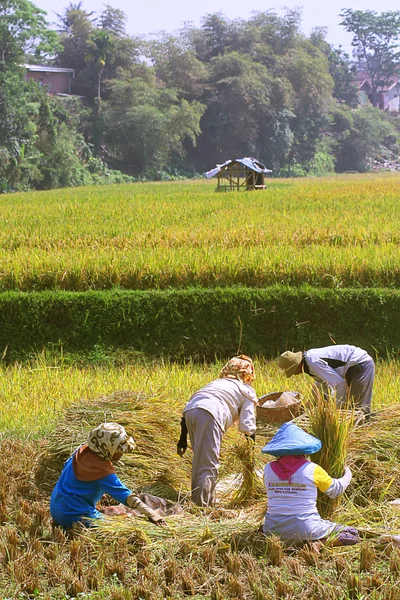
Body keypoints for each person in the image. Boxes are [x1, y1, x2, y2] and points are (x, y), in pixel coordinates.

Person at [50, 422, 166, 530]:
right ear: (107, 448)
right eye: (118, 450)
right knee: (122, 527)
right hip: (73, 515)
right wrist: (152, 514)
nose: (121, 454)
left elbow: (71, 475)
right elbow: (126, 496)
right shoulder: (101, 470)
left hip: (56, 506)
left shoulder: (81, 452)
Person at [176, 354, 258, 507]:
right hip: (210, 414)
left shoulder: (216, 383)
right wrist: (251, 451)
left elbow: (192, 405)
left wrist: (182, 439)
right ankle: (203, 508)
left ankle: (201, 500)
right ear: (247, 374)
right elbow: (248, 426)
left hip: (190, 412)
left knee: (200, 461)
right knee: (208, 464)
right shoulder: (246, 390)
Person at [262, 421, 359, 546]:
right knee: (352, 534)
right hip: (306, 529)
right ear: (303, 449)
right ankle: (319, 543)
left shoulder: (267, 469)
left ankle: (286, 543)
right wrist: (348, 473)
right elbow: (335, 490)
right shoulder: (312, 469)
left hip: (272, 530)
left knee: (273, 529)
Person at [278, 344, 375, 415]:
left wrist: (338, 410)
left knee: (359, 410)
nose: (295, 374)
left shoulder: (312, 362)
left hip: (361, 364)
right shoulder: (309, 363)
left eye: (293, 371)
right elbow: (322, 384)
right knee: (352, 409)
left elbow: (339, 383)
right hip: (351, 368)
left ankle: (364, 435)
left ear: (297, 365)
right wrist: (312, 404)